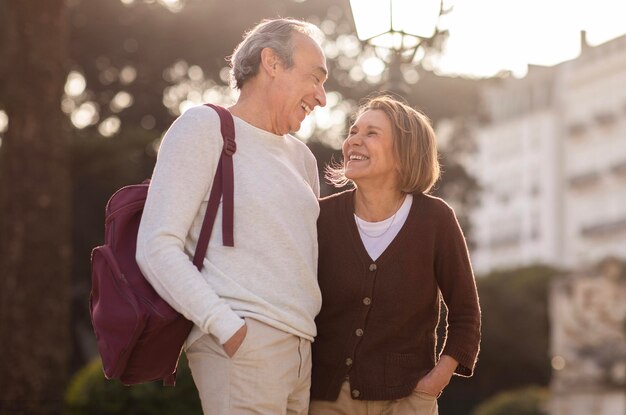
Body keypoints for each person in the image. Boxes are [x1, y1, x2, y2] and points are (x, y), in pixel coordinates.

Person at [136, 18, 327, 414]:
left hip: (301, 351)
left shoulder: (303, 159)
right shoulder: (204, 127)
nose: (322, 97)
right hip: (243, 344)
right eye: (315, 78)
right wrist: (228, 328)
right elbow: (156, 244)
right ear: (271, 62)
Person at [309, 96, 481, 415]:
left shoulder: (435, 219)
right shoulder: (321, 217)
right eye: (353, 131)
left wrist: (433, 383)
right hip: (327, 397)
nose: (354, 141)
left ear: (404, 153)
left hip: (407, 399)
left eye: (372, 133)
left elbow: (466, 314)